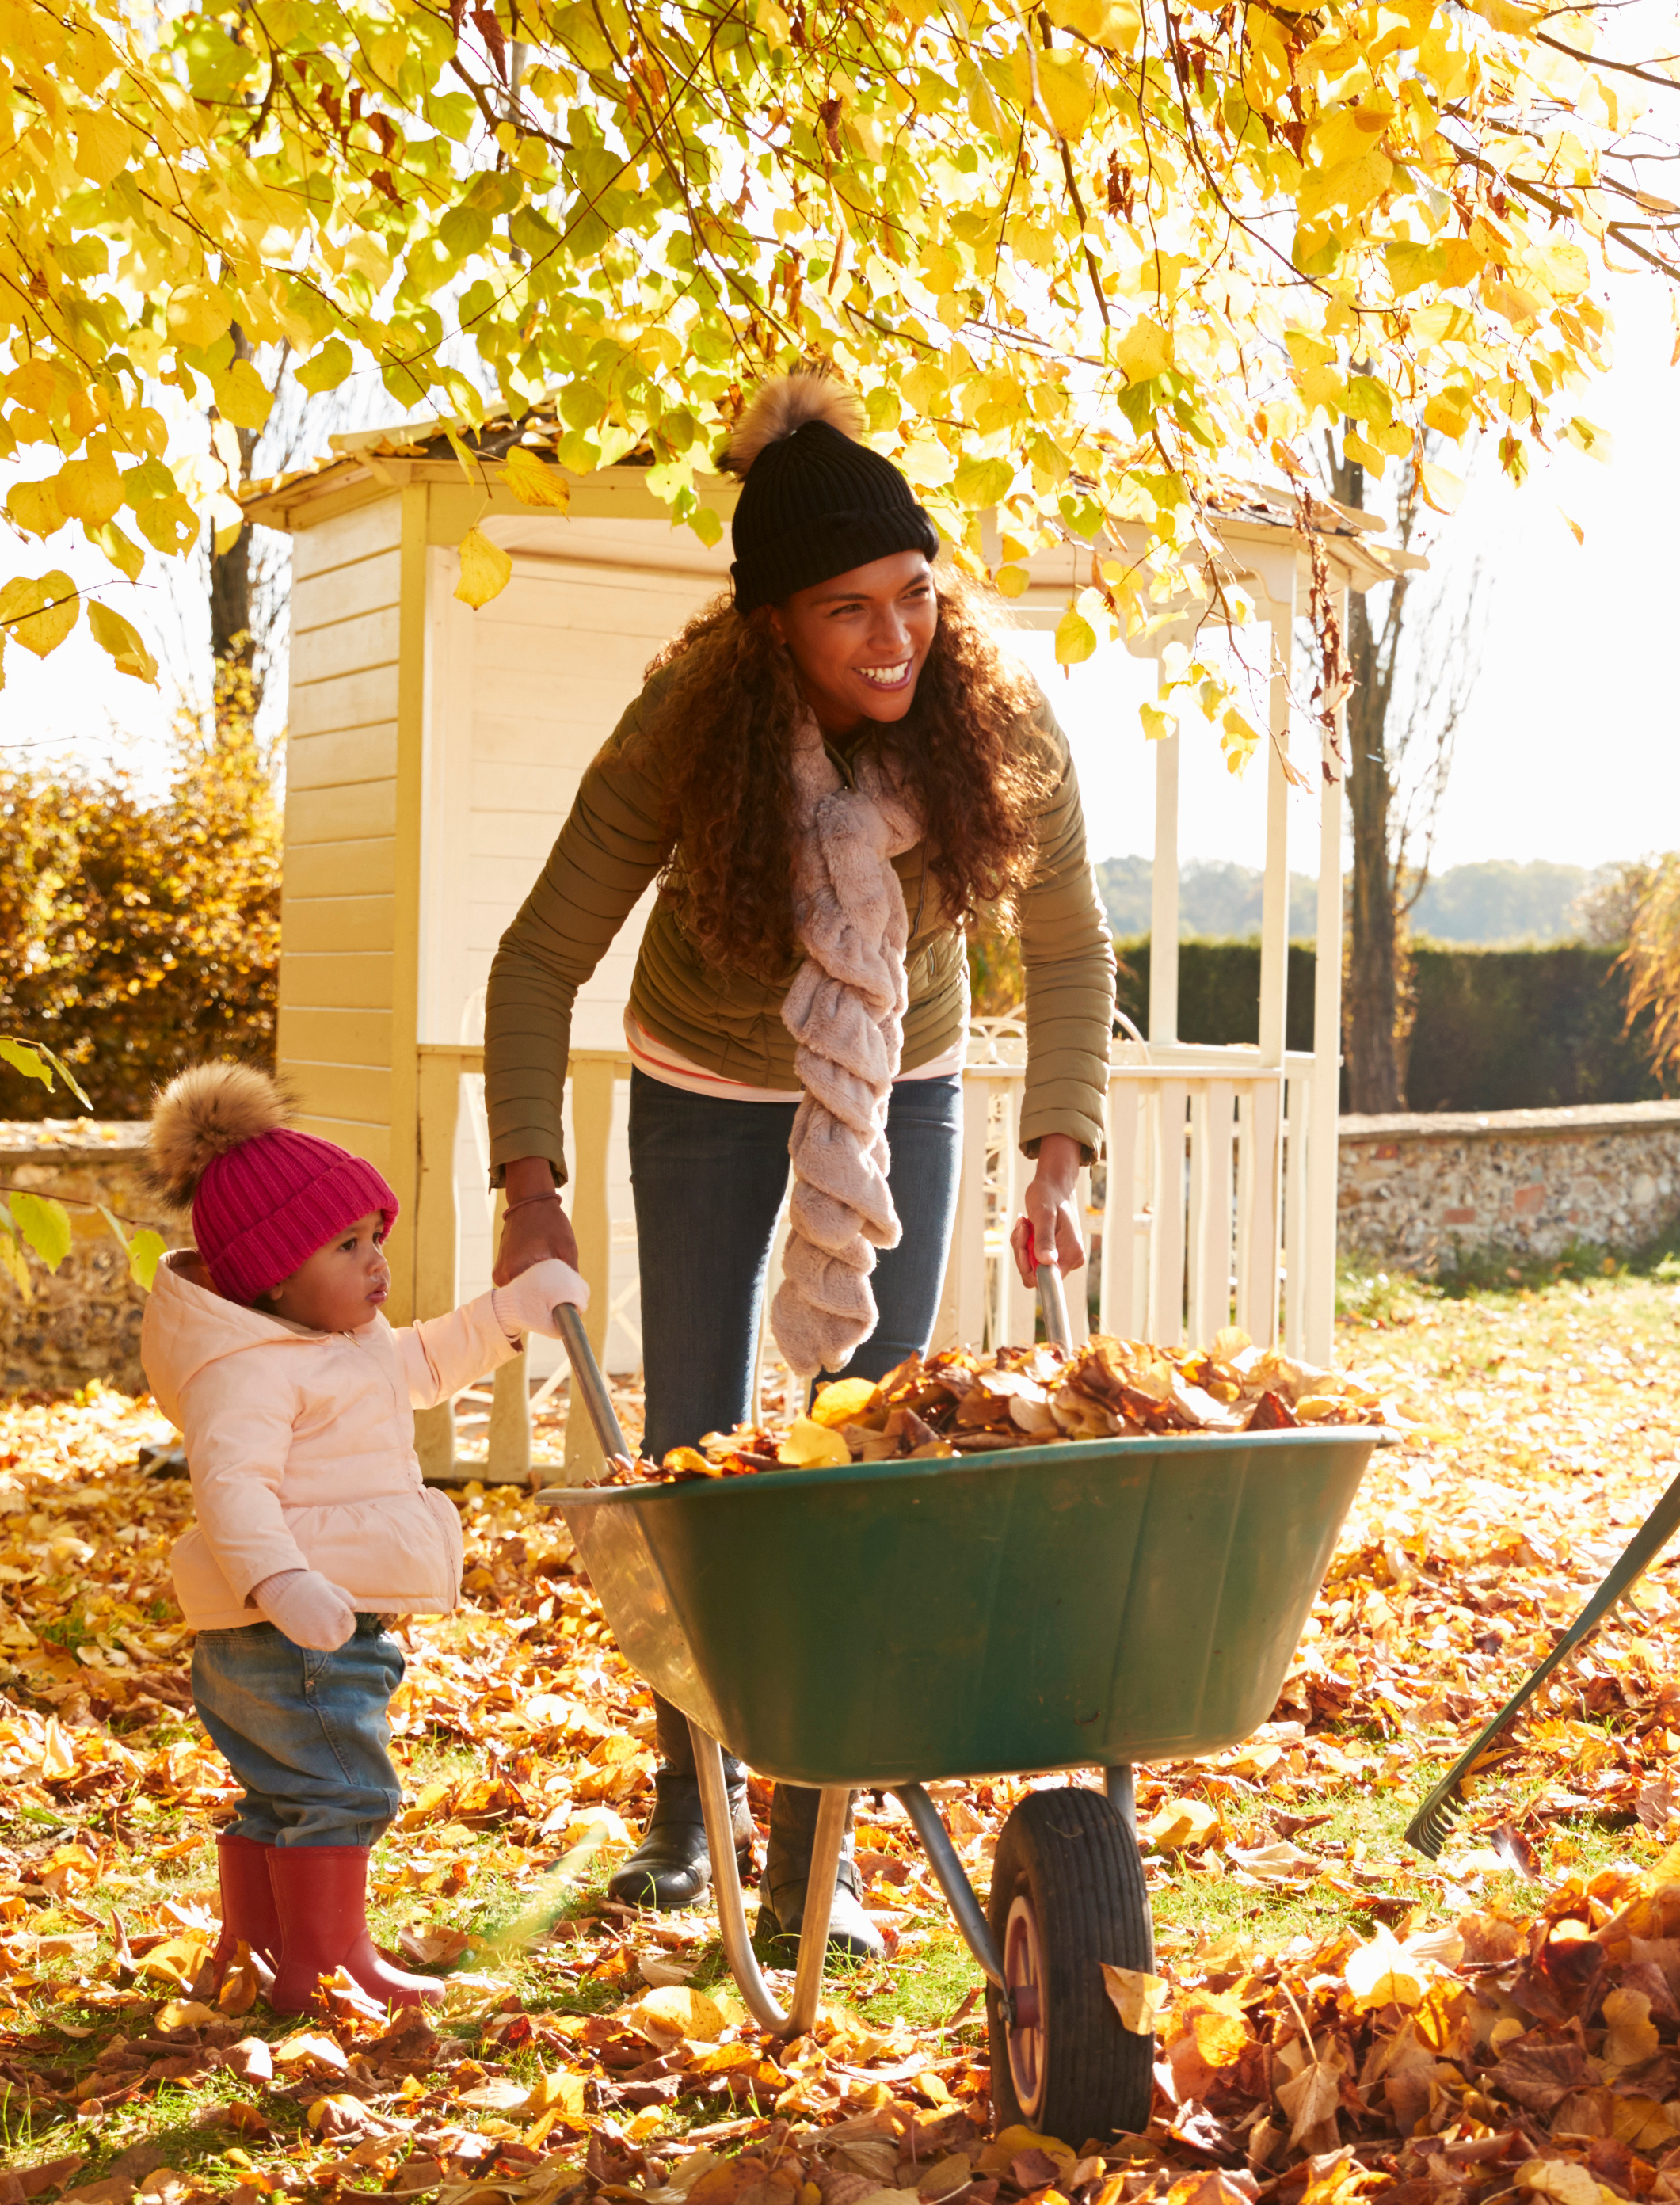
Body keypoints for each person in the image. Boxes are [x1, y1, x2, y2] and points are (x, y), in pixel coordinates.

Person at [483, 375, 1114, 1959]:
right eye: (849, 613)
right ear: (772, 626)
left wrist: (1058, 1153)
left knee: (870, 1449)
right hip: (705, 1078)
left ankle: (814, 1830)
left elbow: (1065, 943)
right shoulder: (686, 733)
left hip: (896, 1075)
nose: (894, 637)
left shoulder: (995, 718)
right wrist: (528, 1182)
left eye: (914, 595)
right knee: (697, 1442)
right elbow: (533, 961)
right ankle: (691, 1802)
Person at [142, 1063, 592, 2017]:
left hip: (312, 1622)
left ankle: (264, 1950)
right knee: (346, 1793)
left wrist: (509, 1313)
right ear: (270, 1275)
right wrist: (280, 1582)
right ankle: (330, 1961)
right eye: (347, 1246)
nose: (377, 1262)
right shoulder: (249, 1373)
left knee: (287, 1796)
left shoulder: (337, 1341)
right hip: (292, 1632)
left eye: (374, 1236)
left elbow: (423, 1363)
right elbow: (231, 1489)